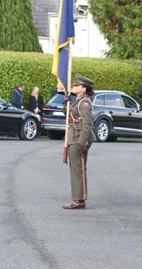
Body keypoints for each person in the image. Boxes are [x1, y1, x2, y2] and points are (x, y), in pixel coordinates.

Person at [62, 74, 96, 210]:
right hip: (74, 137)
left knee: (78, 169)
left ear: (83, 89)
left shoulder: (84, 102)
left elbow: (87, 124)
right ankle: (78, 198)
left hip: (79, 137)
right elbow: (68, 115)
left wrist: (82, 142)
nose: (73, 87)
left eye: (76, 85)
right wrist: (66, 103)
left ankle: (79, 200)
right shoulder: (78, 100)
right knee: (75, 168)